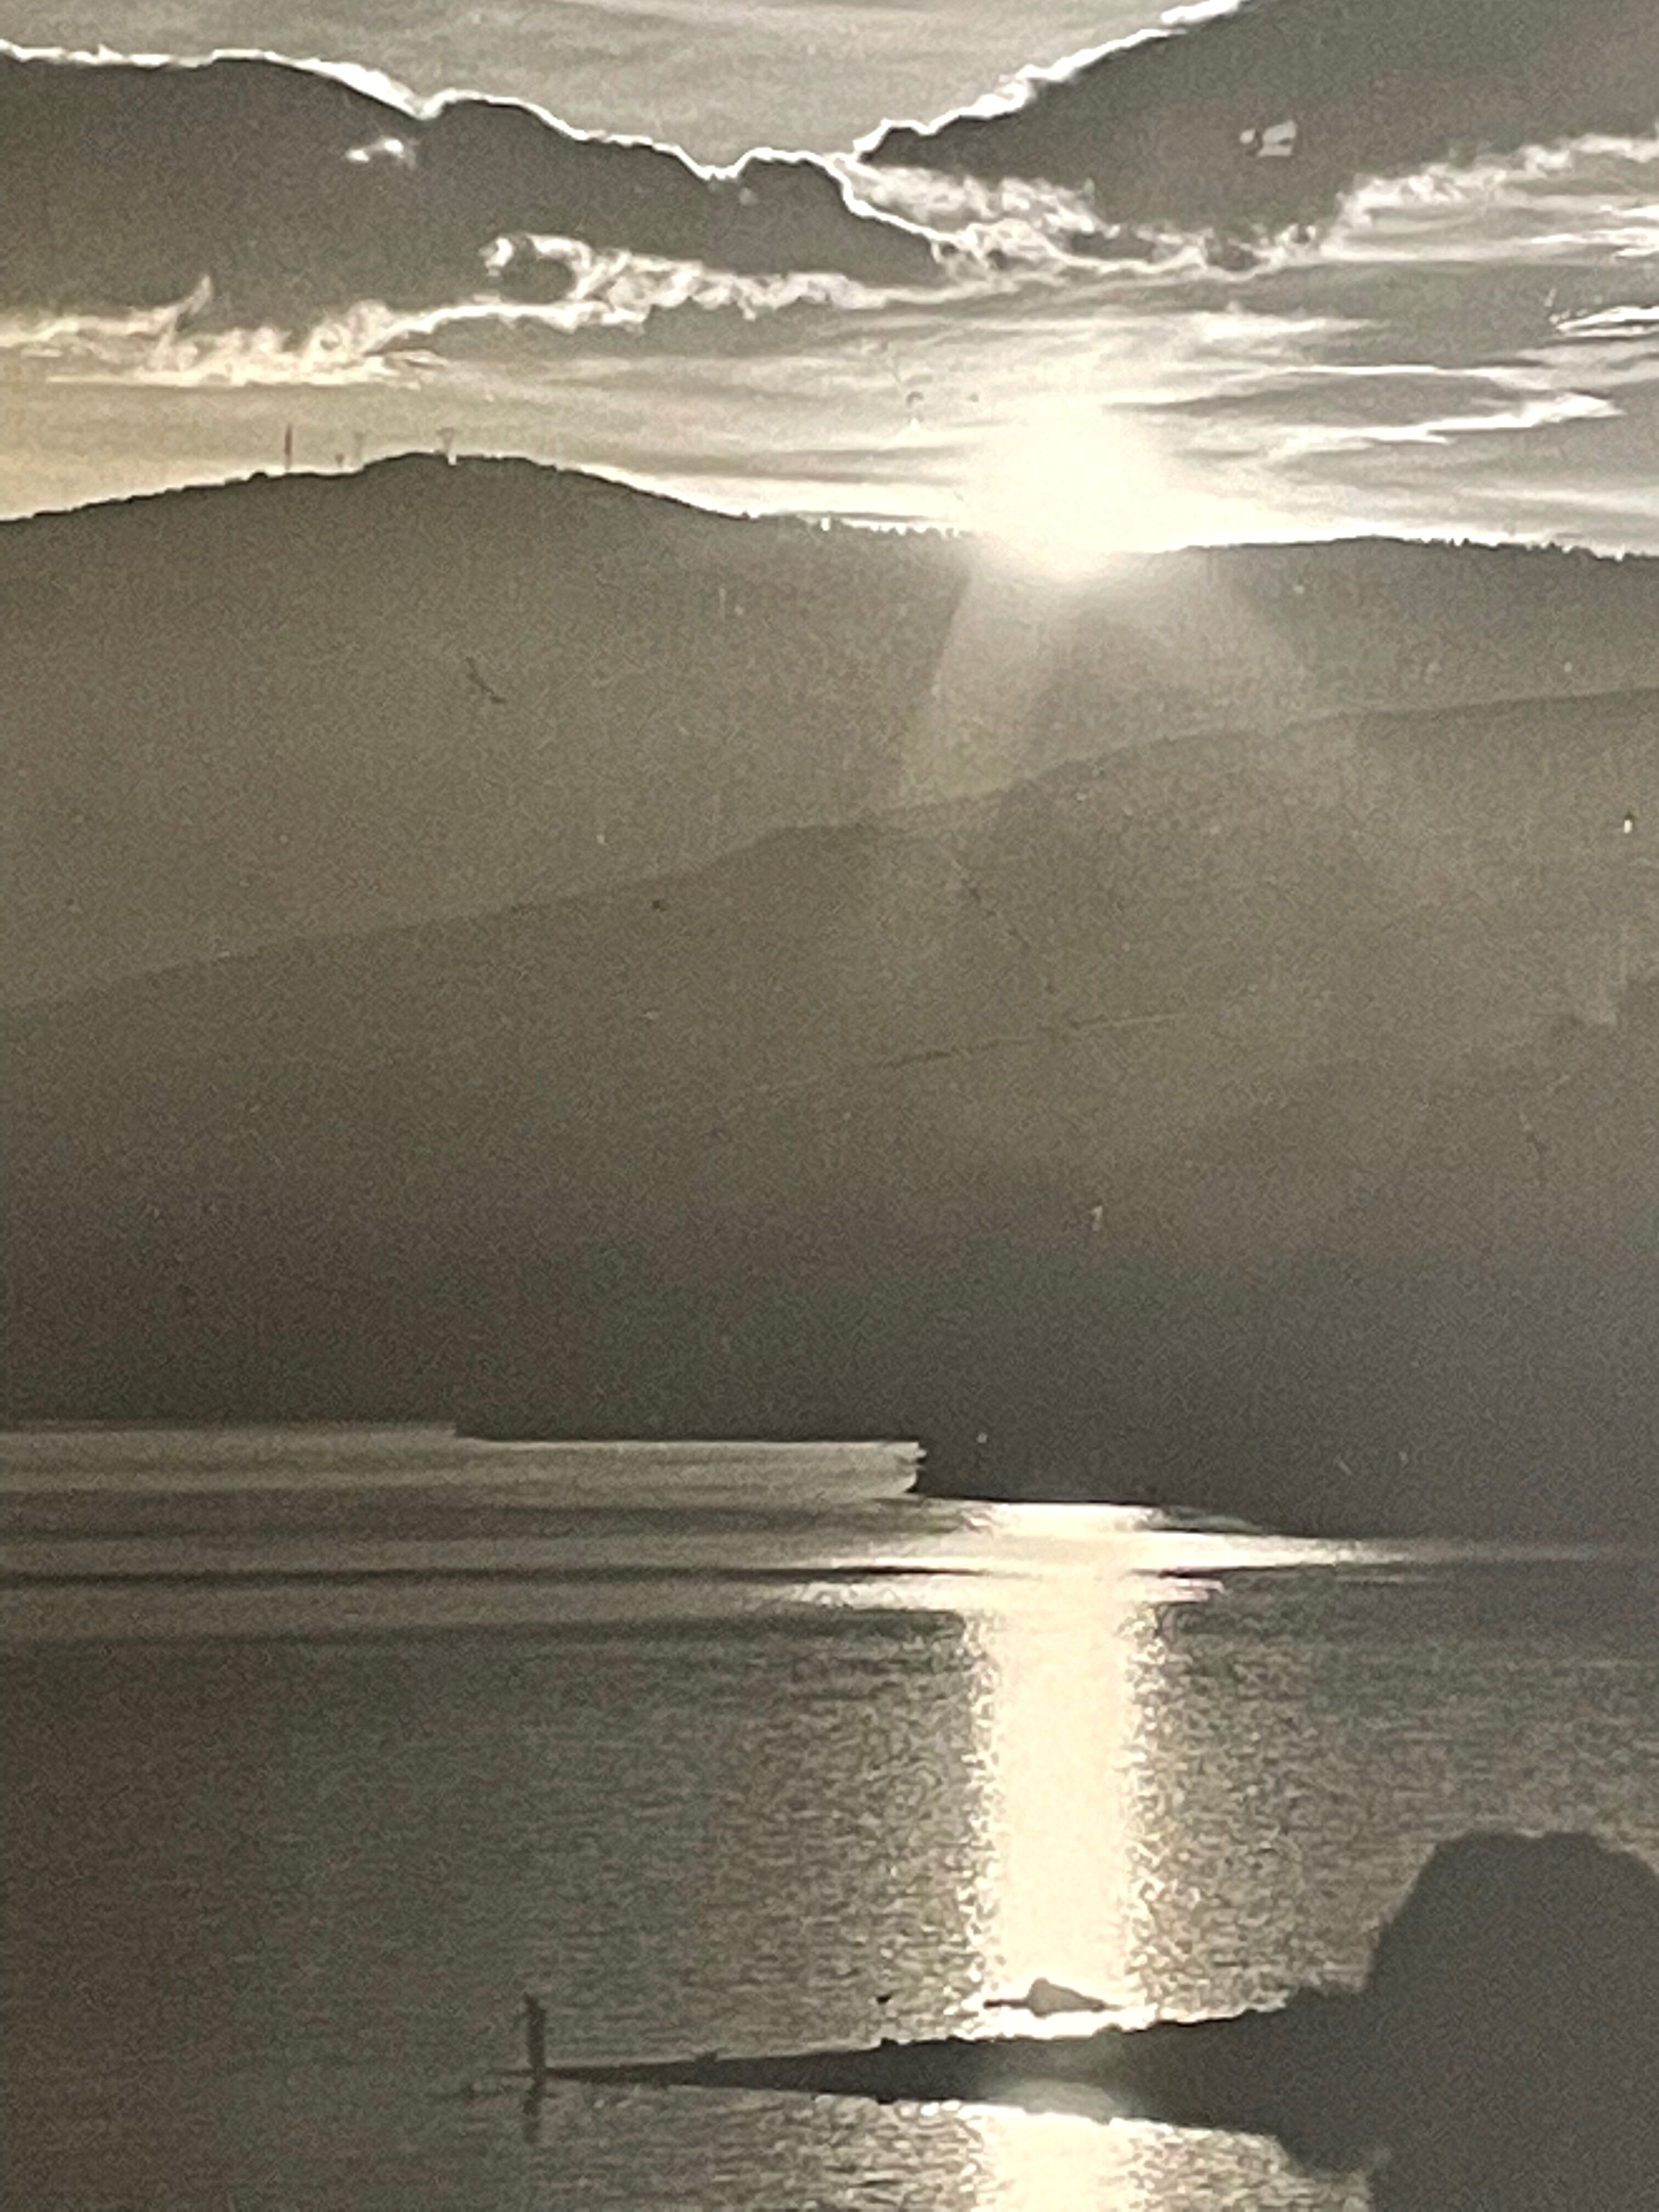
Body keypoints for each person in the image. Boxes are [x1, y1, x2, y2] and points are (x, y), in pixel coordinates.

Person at [523, 1991, 548, 2083]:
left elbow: (536, 2025)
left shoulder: (536, 2013)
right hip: (535, 2039)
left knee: (537, 2058)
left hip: (536, 2039)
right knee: (535, 2058)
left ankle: (539, 2078)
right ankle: (538, 2077)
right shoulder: (535, 2012)